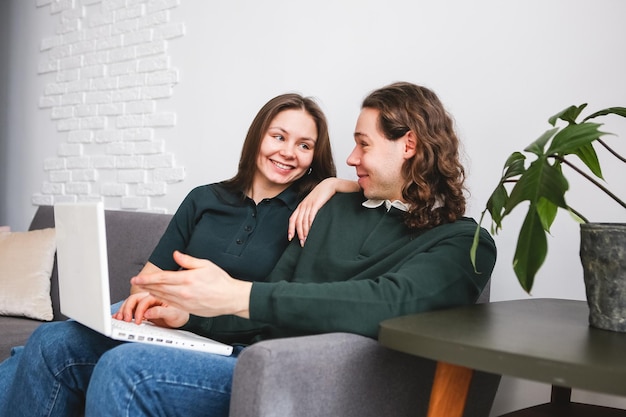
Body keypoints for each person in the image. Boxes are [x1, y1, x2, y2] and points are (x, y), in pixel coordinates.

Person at [2, 82, 497, 417]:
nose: (351, 159)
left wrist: (238, 295)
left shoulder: (463, 243)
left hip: (294, 372)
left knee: (126, 369)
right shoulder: (329, 210)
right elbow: (274, 300)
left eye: (363, 145)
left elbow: (391, 301)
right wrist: (189, 318)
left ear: (407, 145)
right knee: (55, 343)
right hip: (242, 350)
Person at [0, 92, 353, 416]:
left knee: (40, 355)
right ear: (257, 137)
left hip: (227, 342)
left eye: (304, 145)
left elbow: (378, 188)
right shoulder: (205, 198)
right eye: (279, 136)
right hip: (169, 326)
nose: (289, 152)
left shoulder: (310, 212)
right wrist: (148, 308)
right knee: (47, 341)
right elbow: (146, 282)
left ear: (313, 159)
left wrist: (331, 183)